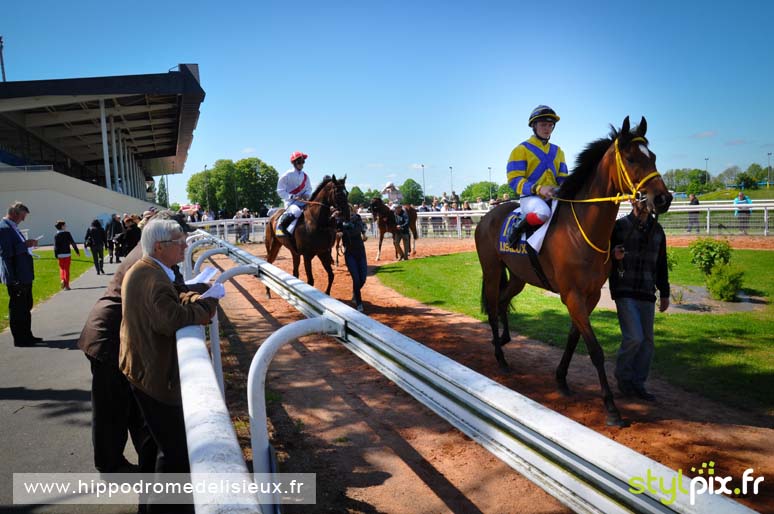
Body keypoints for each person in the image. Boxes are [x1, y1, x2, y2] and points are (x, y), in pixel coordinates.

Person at [78, 211, 196, 477]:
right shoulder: (146, 260)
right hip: (108, 336)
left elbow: (174, 289)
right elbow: (169, 295)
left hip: (115, 332)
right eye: (179, 238)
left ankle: (135, 464)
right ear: (161, 238)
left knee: (127, 410)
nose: (184, 243)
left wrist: (198, 290)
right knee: (113, 408)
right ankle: (111, 465)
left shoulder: (149, 252)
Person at [120, 219, 220, 510]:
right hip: (153, 376)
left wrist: (193, 297)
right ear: (161, 246)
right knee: (175, 452)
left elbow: (175, 295)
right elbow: (171, 319)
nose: (185, 246)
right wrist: (207, 306)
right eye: (180, 242)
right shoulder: (151, 276)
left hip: (141, 369)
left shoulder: (151, 269)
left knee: (153, 443)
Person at [609, 199, 670, 402]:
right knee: (634, 337)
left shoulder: (658, 230)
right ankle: (624, 379)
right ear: (632, 200)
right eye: (641, 197)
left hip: (647, 292)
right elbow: (602, 255)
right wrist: (612, 255)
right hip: (624, 290)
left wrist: (665, 292)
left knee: (648, 342)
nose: (645, 202)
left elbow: (662, 264)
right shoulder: (619, 226)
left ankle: (638, 383)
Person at [506, 105, 569, 248]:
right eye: (543, 125)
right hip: (530, 198)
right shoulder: (520, 150)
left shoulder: (558, 151)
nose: (547, 129)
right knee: (543, 213)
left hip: (554, 197)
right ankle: (518, 225)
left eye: (550, 125)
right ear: (534, 126)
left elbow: (562, 177)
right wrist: (538, 188)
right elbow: (514, 180)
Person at [0, 202, 41, 347]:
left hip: (24, 275)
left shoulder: (12, 227)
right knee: (18, 309)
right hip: (16, 276)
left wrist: (27, 245)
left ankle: (27, 335)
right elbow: (5, 253)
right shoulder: (4, 228)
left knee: (26, 306)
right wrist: (25, 245)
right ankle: (20, 338)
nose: (23, 219)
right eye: (22, 216)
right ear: (15, 213)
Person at [275, 151, 313, 237]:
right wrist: (292, 196)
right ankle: (282, 227)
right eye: (299, 162)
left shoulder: (305, 176)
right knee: (297, 211)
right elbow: (280, 191)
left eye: (303, 162)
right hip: (291, 202)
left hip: (303, 201)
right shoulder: (287, 175)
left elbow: (309, 189)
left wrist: (307, 194)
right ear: (294, 163)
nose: (301, 164)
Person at [336, 210, 369, 312]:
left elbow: (363, 227)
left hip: (361, 252)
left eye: (351, 212)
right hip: (350, 253)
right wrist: (338, 237)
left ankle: (355, 292)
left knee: (363, 278)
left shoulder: (358, 219)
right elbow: (336, 233)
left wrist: (364, 234)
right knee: (356, 278)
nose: (350, 214)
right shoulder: (340, 222)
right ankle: (359, 303)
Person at [54, 220, 80, 290]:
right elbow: (73, 243)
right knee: (67, 269)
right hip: (67, 254)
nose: (66, 226)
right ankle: (67, 285)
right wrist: (77, 251)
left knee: (62, 268)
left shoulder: (56, 235)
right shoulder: (67, 234)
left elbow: (56, 246)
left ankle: (62, 279)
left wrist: (56, 254)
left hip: (60, 254)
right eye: (65, 225)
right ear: (62, 226)